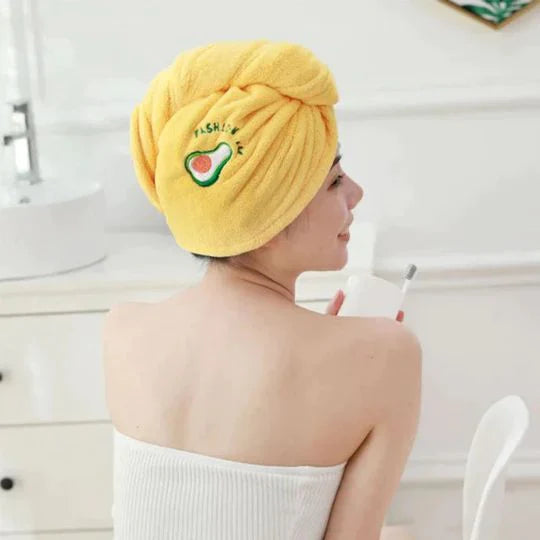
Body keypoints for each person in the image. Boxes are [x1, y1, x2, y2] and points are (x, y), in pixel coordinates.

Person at [103, 40, 422, 540]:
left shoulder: (122, 328)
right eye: (334, 180)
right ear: (269, 215)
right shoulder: (387, 354)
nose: (356, 193)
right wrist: (350, 360)